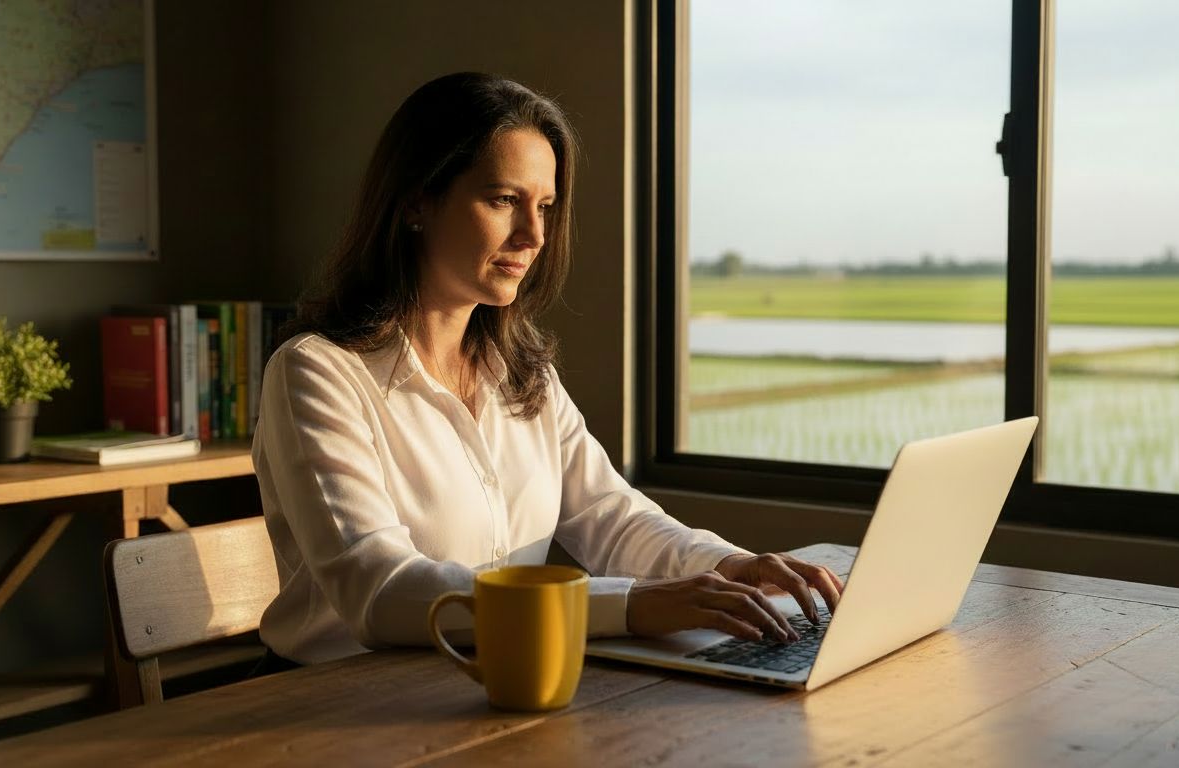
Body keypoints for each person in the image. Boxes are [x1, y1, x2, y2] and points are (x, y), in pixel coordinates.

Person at [252, 72, 844, 668]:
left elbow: (610, 516)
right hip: (338, 697)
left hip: (493, 676)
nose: (534, 235)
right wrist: (630, 605)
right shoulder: (316, 374)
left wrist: (729, 565)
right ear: (415, 201)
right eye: (503, 200)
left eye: (544, 207)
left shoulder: (522, 373)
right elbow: (379, 590)